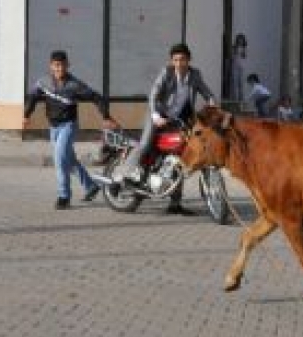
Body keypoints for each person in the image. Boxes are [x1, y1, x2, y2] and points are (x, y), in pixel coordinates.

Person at [124, 43, 216, 215]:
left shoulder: (195, 75)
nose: (179, 63)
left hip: (180, 118)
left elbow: (207, 93)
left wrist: (212, 104)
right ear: (171, 61)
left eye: (182, 59)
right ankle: (126, 176)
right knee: (145, 144)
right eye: (176, 60)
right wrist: (156, 116)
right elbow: (153, 95)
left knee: (180, 156)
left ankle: (175, 203)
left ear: (189, 60)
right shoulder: (166, 73)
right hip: (158, 115)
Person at [23, 50, 118, 210]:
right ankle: (91, 186)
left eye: (62, 66)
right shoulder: (43, 82)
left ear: (67, 65)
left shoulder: (74, 85)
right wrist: (26, 115)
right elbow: (32, 97)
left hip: (69, 125)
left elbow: (96, 97)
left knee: (59, 159)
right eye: (56, 66)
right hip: (54, 127)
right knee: (69, 160)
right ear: (51, 66)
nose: (59, 69)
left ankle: (64, 196)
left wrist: (106, 116)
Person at [230, 34, 247, 101]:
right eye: (239, 39)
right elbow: (232, 56)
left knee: (241, 84)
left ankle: (241, 99)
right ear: (237, 40)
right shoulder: (234, 47)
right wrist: (235, 51)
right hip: (235, 66)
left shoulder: (244, 48)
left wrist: (243, 51)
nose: (240, 41)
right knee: (235, 83)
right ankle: (235, 99)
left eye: (242, 39)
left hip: (241, 67)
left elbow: (244, 56)